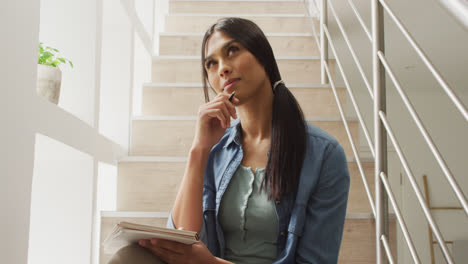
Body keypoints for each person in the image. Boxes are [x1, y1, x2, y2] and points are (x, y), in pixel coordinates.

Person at [109, 17, 350, 264]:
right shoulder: (216, 147)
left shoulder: (324, 155)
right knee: (127, 257)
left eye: (232, 51)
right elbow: (181, 240)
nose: (222, 68)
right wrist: (199, 149)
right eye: (211, 64)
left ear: (263, 56)